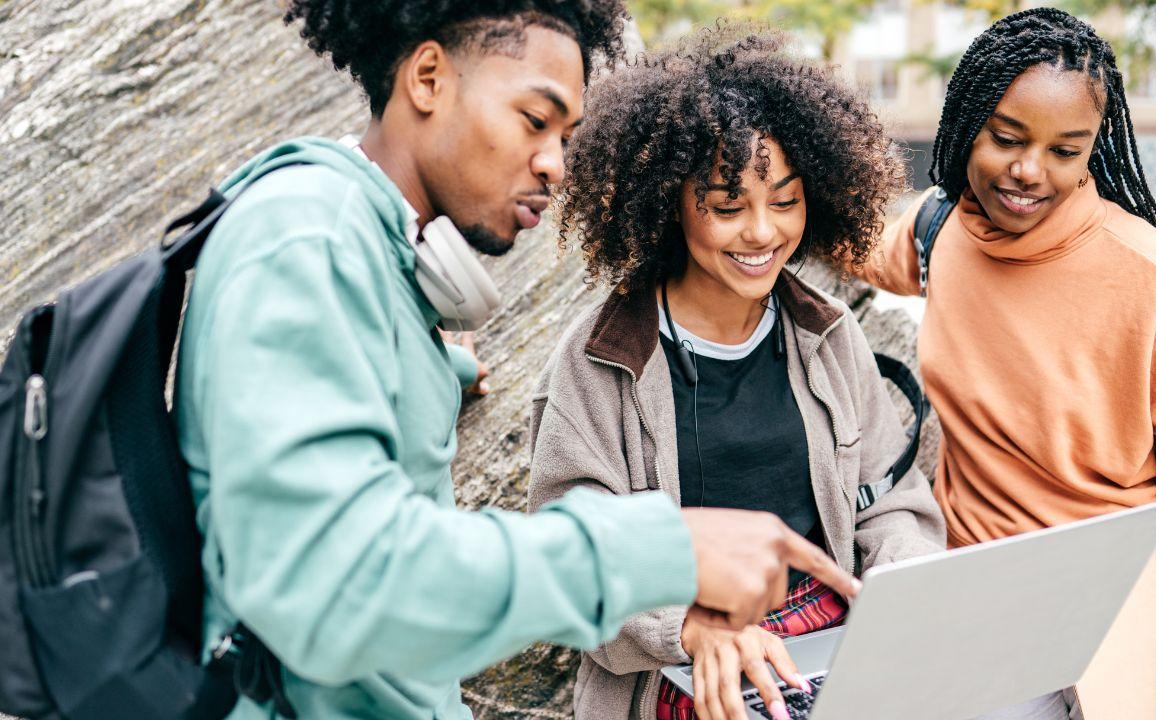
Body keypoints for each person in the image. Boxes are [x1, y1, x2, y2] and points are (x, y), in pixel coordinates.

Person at [174, 4, 855, 719]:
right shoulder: (307, 246)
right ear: (428, 78)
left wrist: (438, 366)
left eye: (567, 137)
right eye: (535, 120)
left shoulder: (367, 269)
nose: (555, 164)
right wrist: (665, 548)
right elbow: (337, 590)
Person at [529, 26, 945, 720]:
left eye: (784, 201)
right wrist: (688, 628)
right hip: (680, 664)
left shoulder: (830, 335)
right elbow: (570, 558)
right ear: (667, 202)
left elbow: (892, 504)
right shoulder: (596, 364)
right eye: (727, 206)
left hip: (833, 646)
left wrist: (896, 592)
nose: (761, 232)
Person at [852, 9, 1156, 720]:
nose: (1029, 171)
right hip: (966, 611)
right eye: (1006, 138)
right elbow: (850, 247)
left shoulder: (1151, 276)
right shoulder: (942, 229)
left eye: (1066, 150)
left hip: (1108, 631)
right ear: (966, 123)